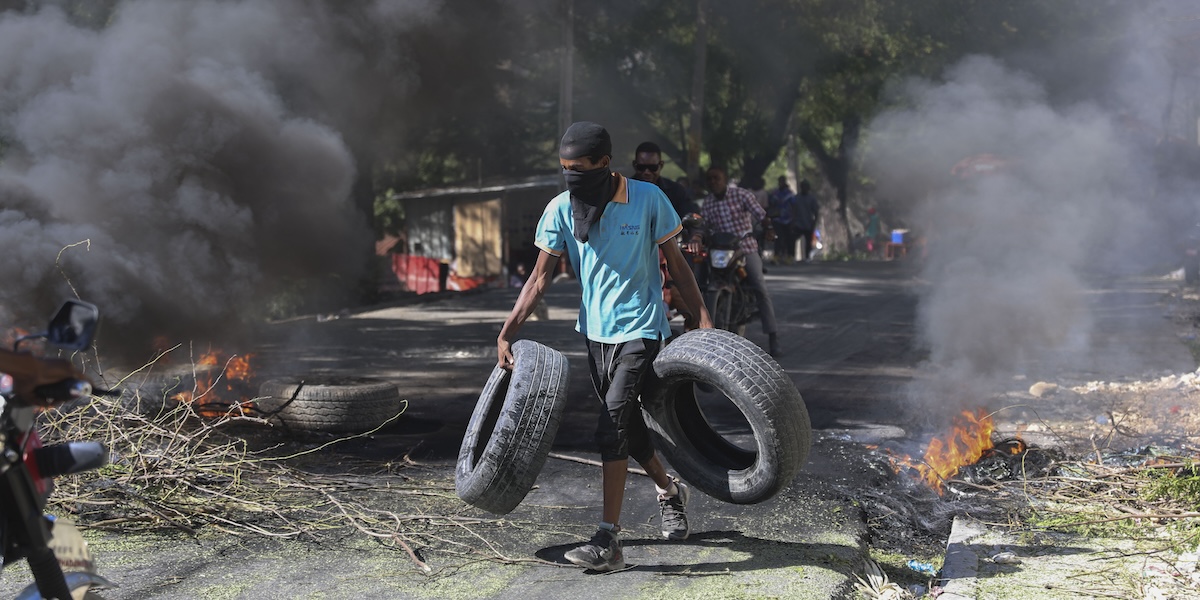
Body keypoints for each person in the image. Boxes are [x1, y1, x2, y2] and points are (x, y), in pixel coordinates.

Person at [497, 122, 712, 572]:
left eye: (579, 169)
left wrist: (702, 318)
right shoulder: (560, 209)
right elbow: (539, 279)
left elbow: (677, 265)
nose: (572, 176)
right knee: (627, 429)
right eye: (565, 170)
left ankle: (609, 541)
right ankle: (670, 491)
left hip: (642, 329)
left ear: (603, 163)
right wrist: (508, 330)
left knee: (610, 422)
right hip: (595, 335)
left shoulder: (648, 199)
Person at [700, 166, 781, 356]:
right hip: (720, 252)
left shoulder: (741, 195)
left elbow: (761, 214)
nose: (713, 182)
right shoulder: (708, 203)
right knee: (700, 281)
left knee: (759, 287)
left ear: (725, 179)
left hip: (745, 248)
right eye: (710, 179)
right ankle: (703, 333)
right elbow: (703, 226)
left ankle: (773, 335)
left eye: (716, 178)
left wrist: (768, 227)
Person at [632, 141, 706, 303]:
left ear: (661, 165)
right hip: (634, 259)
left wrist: (695, 237)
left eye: (652, 168)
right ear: (634, 165)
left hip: (668, 256)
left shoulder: (676, 191)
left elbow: (692, 214)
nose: (646, 172)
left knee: (691, 305)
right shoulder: (623, 191)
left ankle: (697, 326)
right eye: (641, 167)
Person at [767, 176, 798, 262]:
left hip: (788, 219)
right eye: (779, 181)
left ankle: (790, 256)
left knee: (789, 238)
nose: (781, 183)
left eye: (782, 181)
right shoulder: (775, 193)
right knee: (778, 237)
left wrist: (794, 219)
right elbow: (770, 204)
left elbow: (794, 206)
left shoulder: (789, 194)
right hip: (777, 219)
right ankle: (777, 255)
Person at [794, 180, 820, 262]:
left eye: (806, 187)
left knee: (808, 241)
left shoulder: (812, 199)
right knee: (793, 239)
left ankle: (807, 257)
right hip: (797, 223)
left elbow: (816, 211)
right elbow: (792, 210)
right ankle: (791, 255)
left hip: (808, 222)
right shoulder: (796, 198)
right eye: (802, 187)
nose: (804, 188)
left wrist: (814, 222)